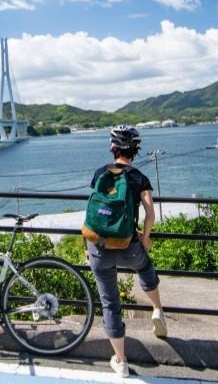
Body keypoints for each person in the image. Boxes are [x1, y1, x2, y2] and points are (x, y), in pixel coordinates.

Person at [87, 125, 167, 378]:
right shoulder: (139, 177)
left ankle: (120, 361)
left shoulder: (101, 173)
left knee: (110, 303)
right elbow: (150, 214)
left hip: (98, 245)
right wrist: (145, 238)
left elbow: (98, 209)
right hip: (127, 244)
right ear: (136, 150)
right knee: (144, 267)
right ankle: (157, 310)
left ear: (113, 148)